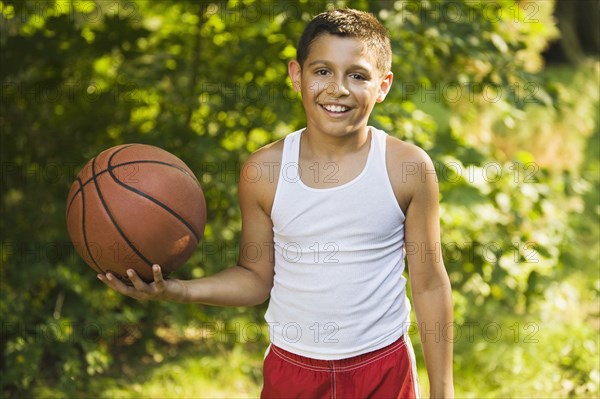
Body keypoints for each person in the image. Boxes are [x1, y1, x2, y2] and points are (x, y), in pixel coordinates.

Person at [98, 8, 454, 398]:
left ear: (383, 85)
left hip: (382, 366)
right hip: (294, 369)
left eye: (357, 75)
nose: (338, 88)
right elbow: (255, 278)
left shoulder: (407, 167)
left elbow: (430, 284)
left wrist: (443, 390)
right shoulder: (264, 171)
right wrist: (176, 290)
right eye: (322, 71)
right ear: (296, 76)